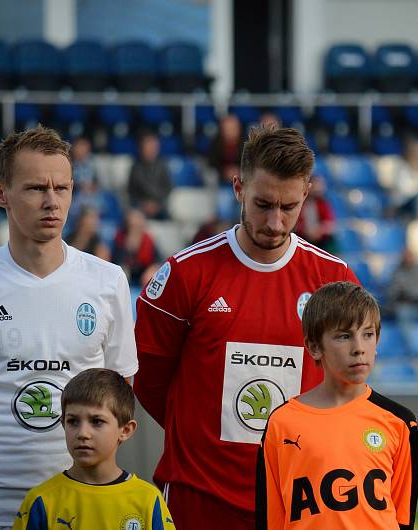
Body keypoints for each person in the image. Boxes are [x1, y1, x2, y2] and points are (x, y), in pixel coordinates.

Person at [0, 125, 139, 529]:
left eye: (63, 188)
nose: (52, 202)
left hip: (83, 504)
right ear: (1, 194)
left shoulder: (108, 282)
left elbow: (121, 394)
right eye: (36, 189)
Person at [133, 126, 359, 530]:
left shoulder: (333, 278)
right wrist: (201, 438)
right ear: (238, 188)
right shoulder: (186, 274)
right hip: (198, 499)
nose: (275, 222)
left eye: (288, 207)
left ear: (306, 194)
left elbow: (348, 384)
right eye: (263, 204)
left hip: (297, 501)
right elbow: (148, 381)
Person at [256, 281, 418, 529]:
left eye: (367, 334)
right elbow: (271, 520)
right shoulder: (282, 423)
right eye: (344, 336)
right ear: (313, 347)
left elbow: (403, 519)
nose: (358, 349)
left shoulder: (399, 422)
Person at [12, 368, 175, 530]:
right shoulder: (41, 501)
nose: (83, 433)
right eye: (73, 421)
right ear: (63, 424)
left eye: (97, 421)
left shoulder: (148, 500)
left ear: (125, 430)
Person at [127, 132, 171, 219]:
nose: (152, 148)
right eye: (148, 145)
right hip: (141, 207)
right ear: (141, 147)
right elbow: (132, 191)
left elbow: (167, 188)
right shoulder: (135, 167)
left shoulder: (163, 166)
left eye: (154, 146)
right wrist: (144, 204)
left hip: (160, 207)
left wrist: (156, 204)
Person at [112, 208, 160, 286]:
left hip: (143, 273)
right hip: (125, 272)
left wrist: (152, 269)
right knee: (122, 275)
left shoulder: (148, 240)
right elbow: (116, 259)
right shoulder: (120, 238)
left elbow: (157, 261)